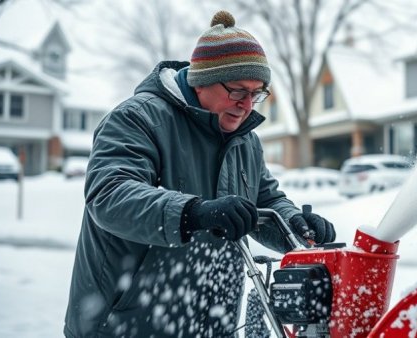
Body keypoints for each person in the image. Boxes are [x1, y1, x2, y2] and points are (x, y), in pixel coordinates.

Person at [63, 10, 336, 338]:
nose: (247, 105)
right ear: (201, 79)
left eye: (257, 93)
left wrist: (294, 225)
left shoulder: (245, 141)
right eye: (237, 91)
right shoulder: (137, 119)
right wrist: (193, 213)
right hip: (129, 324)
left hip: (213, 324)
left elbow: (265, 199)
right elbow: (110, 195)